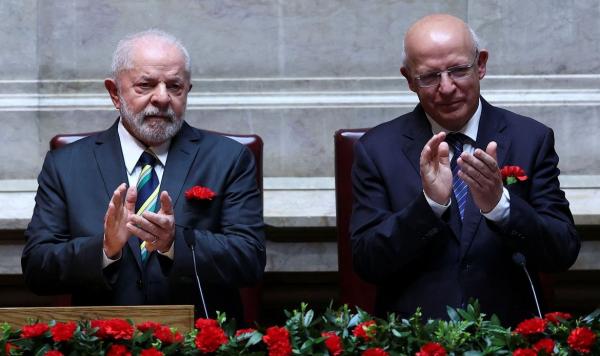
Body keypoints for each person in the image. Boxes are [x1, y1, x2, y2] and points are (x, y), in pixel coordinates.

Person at [350, 14, 580, 326]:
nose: (446, 88)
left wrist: (501, 207)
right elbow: (366, 262)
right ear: (408, 80)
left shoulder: (530, 139)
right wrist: (429, 206)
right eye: (429, 77)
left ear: (481, 65)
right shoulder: (377, 149)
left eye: (458, 70)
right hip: (415, 337)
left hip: (509, 335)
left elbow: (562, 251)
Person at [21, 30, 265, 321]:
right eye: (145, 85)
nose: (162, 98)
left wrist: (175, 242)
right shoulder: (66, 165)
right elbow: (38, 269)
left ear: (188, 91)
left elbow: (249, 260)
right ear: (114, 93)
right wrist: (104, 248)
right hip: (102, 341)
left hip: (198, 340)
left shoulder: (229, 159)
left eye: (174, 86)